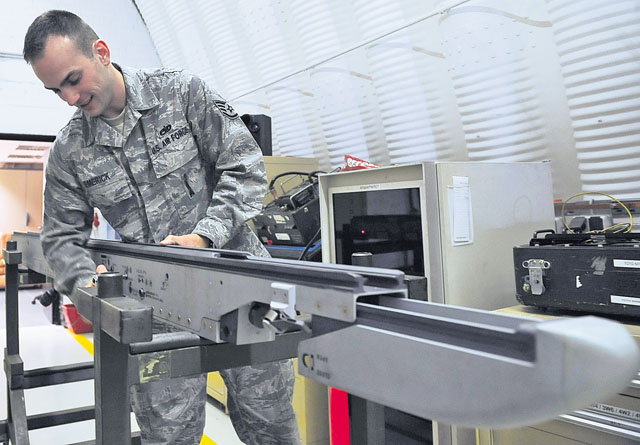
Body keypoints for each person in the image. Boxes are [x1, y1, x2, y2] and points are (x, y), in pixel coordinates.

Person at [23, 10, 301, 445]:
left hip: (240, 286)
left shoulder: (181, 92)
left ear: (101, 52)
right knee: (168, 435)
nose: (70, 97)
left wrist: (204, 236)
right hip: (155, 305)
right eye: (56, 89)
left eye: (73, 79)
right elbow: (61, 238)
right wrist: (87, 285)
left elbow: (244, 168)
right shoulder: (71, 149)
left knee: (270, 424)